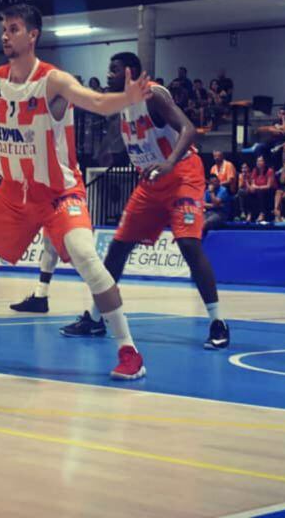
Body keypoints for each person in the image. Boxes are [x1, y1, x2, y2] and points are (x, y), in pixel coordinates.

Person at [0, 4, 150, 379]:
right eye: (3, 29)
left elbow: (95, 102)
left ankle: (129, 351)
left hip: (59, 193)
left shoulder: (53, 81)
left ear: (32, 35)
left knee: (85, 257)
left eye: (13, 29)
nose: (5, 35)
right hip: (12, 194)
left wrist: (127, 99)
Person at [68, 52, 229, 349]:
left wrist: (169, 161)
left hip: (182, 173)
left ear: (130, 72)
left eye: (113, 70)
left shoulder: (152, 94)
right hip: (151, 179)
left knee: (188, 245)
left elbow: (189, 129)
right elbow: (126, 136)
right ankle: (94, 318)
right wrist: (107, 152)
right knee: (117, 247)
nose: (108, 75)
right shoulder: (124, 103)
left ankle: (217, 322)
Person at [246, 155, 275, 223]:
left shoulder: (269, 171)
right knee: (247, 192)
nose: (259, 162)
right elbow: (253, 183)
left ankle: (262, 213)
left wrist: (258, 187)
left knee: (260, 192)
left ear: (264, 162)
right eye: (258, 161)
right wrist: (252, 188)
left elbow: (269, 186)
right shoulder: (255, 170)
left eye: (260, 161)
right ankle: (249, 214)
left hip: (268, 191)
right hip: (257, 190)